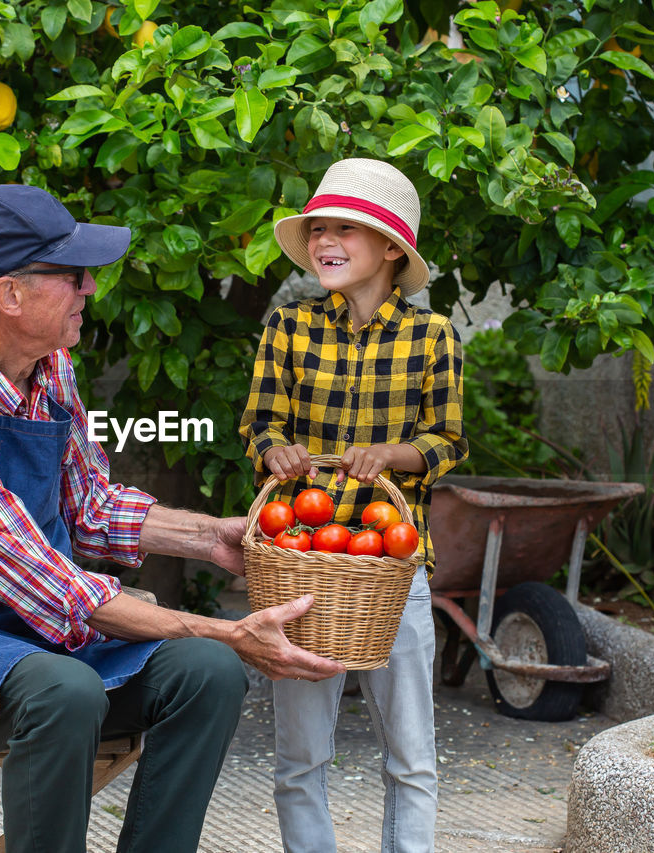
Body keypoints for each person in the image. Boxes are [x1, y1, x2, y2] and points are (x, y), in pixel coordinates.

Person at [0, 184, 344, 853]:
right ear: (11, 295)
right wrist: (225, 628)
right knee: (69, 691)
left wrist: (206, 536)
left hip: (33, 634)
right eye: (74, 275)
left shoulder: (48, 367)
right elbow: (58, 588)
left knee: (208, 674)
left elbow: (90, 507)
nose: (91, 289)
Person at [238, 158, 468, 853]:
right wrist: (275, 451)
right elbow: (260, 425)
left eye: (345, 229)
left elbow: (449, 440)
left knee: (411, 754)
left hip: (394, 567)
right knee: (299, 757)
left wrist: (392, 455)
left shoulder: (431, 336)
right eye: (318, 230)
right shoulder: (289, 325)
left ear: (393, 248)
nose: (324, 241)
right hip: (303, 562)